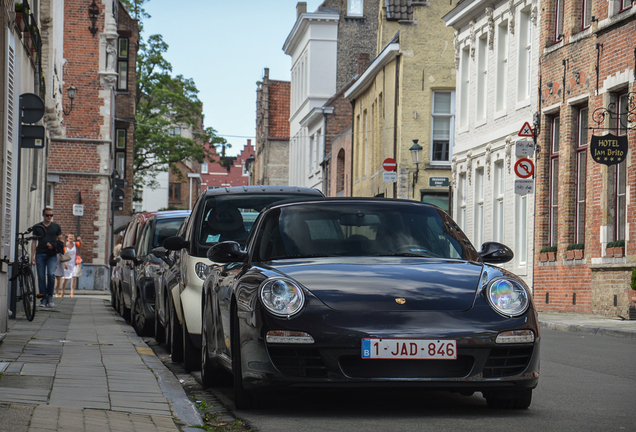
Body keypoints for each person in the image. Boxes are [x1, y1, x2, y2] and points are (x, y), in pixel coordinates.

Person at [32, 207, 62, 307]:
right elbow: (34, 242)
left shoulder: (56, 227)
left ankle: (50, 296)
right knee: (41, 277)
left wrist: (54, 245)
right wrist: (32, 255)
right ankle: (43, 298)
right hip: (40, 254)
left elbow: (60, 241)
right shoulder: (38, 227)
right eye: (47, 215)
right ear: (43, 215)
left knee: (51, 274)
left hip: (51, 254)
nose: (49, 217)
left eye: (51, 215)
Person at [62, 233, 82, 298]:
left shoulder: (75, 244)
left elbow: (81, 244)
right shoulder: (65, 245)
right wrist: (64, 263)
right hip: (67, 264)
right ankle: (63, 291)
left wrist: (80, 240)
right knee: (65, 279)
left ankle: (72, 292)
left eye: (72, 237)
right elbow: (62, 255)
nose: (71, 238)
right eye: (70, 237)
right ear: (67, 238)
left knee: (74, 277)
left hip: (74, 263)